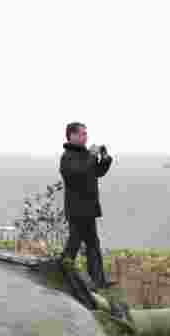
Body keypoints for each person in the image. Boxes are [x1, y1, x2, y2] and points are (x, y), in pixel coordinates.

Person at [59, 121, 114, 288]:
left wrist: (105, 159)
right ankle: (61, 273)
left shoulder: (84, 155)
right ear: (72, 135)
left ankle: (98, 281)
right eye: (82, 134)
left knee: (92, 245)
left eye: (85, 133)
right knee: (74, 243)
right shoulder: (67, 157)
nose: (86, 137)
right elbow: (78, 173)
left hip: (88, 208)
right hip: (77, 209)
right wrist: (91, 156)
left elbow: (96, 172)